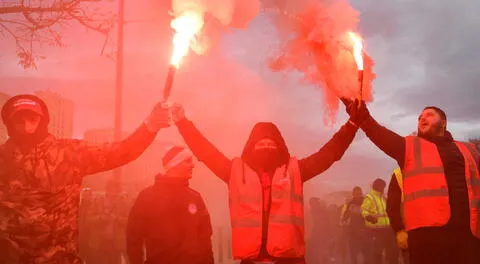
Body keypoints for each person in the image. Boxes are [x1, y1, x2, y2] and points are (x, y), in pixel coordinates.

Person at [167, 102, 359, 264]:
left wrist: (351, 126)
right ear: (251, 147)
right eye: (261, 144)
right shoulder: (234, 170)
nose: (266, 148)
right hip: (251, 260)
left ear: (280, 147)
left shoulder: (295, 170)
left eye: (271, 145)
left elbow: (328, 155)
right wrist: (183, 124)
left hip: (289, 260)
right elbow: (206, 153)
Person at [0, 94, 171, 263]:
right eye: (19, 120)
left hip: (59, 259)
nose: (26, 126)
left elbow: (120, 152)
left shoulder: (68, 153)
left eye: (32, 119)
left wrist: (151, 125)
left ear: (43, 121)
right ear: (9, 124)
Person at [343, 99, 480, 264]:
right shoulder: (408, 147)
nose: (422, 118)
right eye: (420, 117)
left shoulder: (469, 149)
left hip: (468, 238)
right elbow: (378, 133)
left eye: (429, 115)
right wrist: (360, 114)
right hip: (427, 242)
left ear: (443, 122)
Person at [126, 146, 214, 264]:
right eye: (187, 161)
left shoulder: (195, 198)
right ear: (174, 165)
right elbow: (134, 236)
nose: (193, 165)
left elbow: (205, 240)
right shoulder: (147, 197)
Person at [361, 179, 398, 264]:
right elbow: (364, 210)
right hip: (376, 230)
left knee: (392, 251)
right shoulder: (369, 197)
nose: (383, 188)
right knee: (377, 253)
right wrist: (369, 217)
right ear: (378, 186)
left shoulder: (383, 197)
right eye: (382, 187)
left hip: (387, 229)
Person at [341, 186, 369, 264]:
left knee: (366, 252)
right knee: (353, 253)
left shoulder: (366, 202)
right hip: (353, 231)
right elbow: (345, 216)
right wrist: (344, 219)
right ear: (353, 194)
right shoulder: (350, 203)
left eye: (359, 193)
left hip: (365, 230)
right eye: (356, 194)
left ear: (361, 193)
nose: (358, 195)